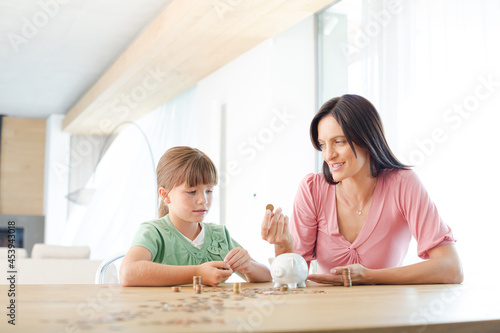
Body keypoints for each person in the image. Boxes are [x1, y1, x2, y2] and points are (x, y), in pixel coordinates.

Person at [261, 94, 463, 285]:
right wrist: (283, 246)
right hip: (324, 314)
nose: (328, 155)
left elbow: (451, 268)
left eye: (339, 142)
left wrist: (369, 276)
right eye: (323, 145)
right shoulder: (312, 189)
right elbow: (293, 281)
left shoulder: (402, 183)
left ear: (367, 139)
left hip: (385, 314)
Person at [120, 146, 271, 287]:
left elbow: (266, 277)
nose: (203, 200)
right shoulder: (154, 232)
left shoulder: (219, 235)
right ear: (165, 195)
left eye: (209, 191)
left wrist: (249, 267)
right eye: (192, 192)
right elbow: (128, 273)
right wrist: (197, 273)